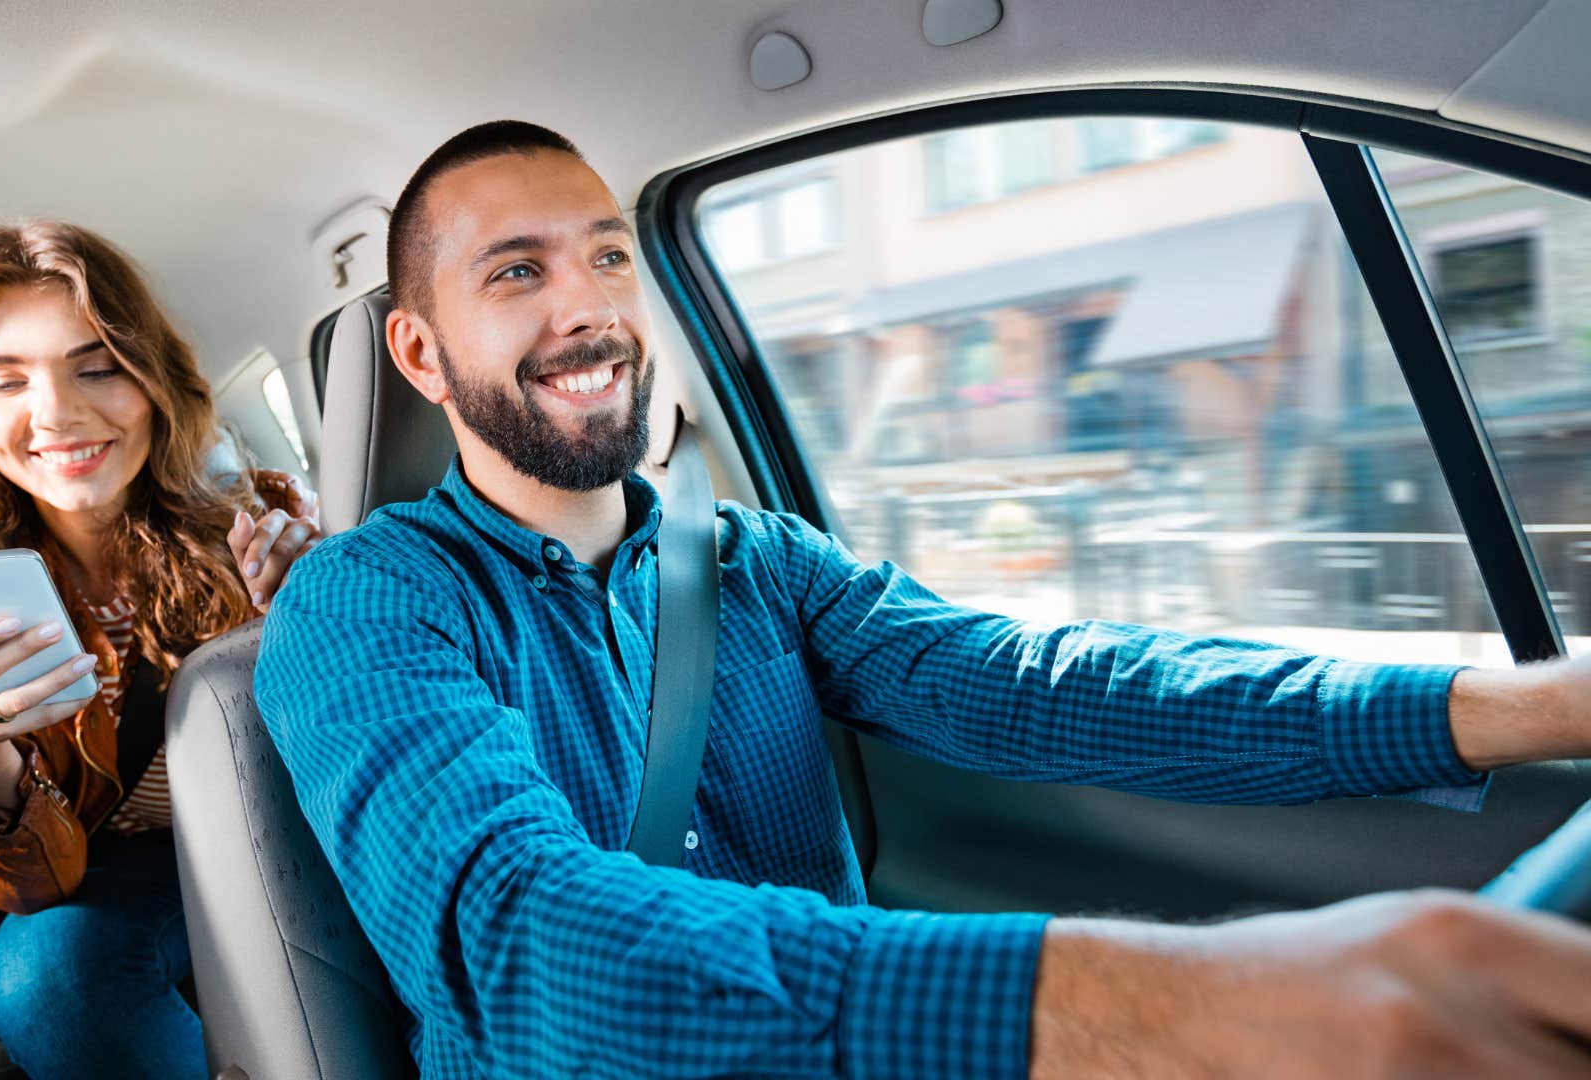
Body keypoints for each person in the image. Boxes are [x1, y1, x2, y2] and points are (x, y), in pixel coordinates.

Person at [254, 121, 1591, 1078]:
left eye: (608, 258)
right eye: (517, 272)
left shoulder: (759, 563)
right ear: (420, 351)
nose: (589, 310)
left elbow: (1041, 687)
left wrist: (1532, 707)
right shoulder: (364, 609)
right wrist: (1181, 1007)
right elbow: (526, 939)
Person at [0, 219, 321, 1079]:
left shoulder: (261, 522)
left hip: (277, 837)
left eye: (98, 366)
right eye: (4, 380)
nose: (57, 414)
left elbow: (344, 762)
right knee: (48, 978)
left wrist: (306, 622)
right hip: (112, 875)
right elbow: (32, 887)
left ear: (155, 381)